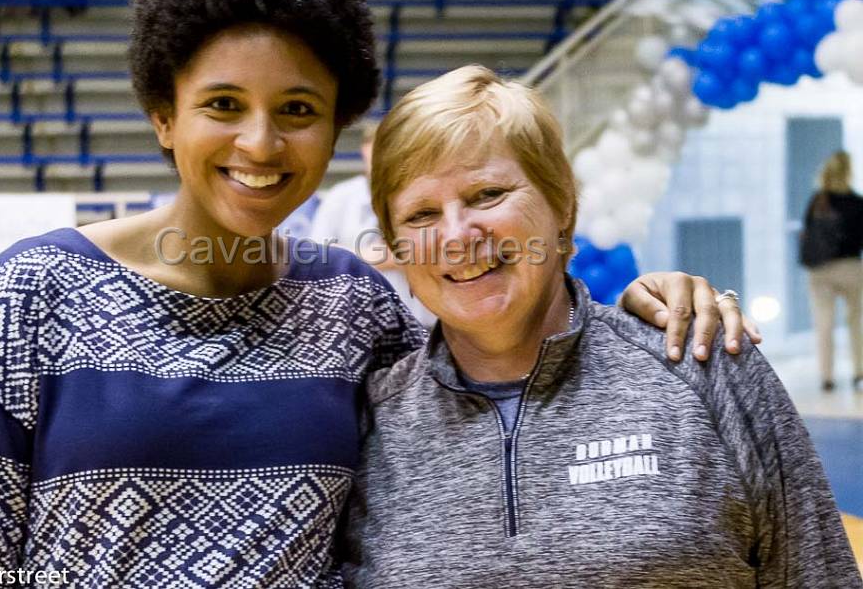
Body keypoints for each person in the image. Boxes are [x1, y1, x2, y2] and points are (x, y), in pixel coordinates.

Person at [0, 0, 755, 586]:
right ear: (165, 115)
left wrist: (641, 301)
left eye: (299, 109)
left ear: (337, 128)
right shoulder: (30, 296)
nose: (261, 142)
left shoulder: (354, 305)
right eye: (223, 105)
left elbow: (494, 380)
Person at [343, 66, 860, 587]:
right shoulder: (370, 425)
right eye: (422, 215)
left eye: (487, 194)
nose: (456, 235)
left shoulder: (703, 364)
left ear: (562, 202)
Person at [310, 123, 437, 328]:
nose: (382, 160)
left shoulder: (427, 194)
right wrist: (378, 256)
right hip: (357, 321)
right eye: (376, 150)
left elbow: (436, 253)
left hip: (423, 322)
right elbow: (314, 257)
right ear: (364, 150)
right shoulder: (340, 197)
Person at [799, 150, 863, 392]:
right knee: (855, 321)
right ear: (848, 171)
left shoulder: (818, 201)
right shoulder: (857, 202)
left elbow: (806, 232)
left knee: (824, 323)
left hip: (820, 270)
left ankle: (827, 377)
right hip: (851, 267)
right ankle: (859, 372)